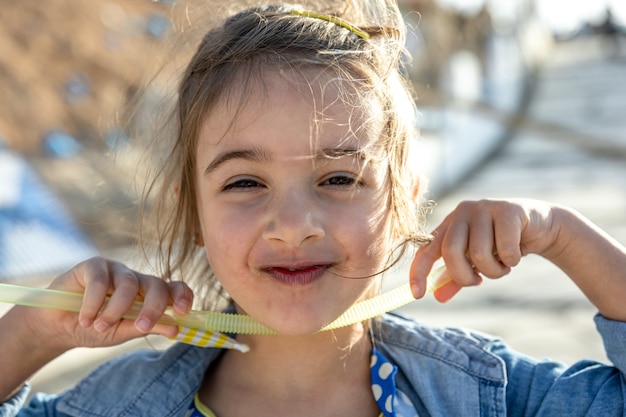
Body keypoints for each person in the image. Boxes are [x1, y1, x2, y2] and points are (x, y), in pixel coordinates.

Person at [1, 1, 626, 415]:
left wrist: (561, 233)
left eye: (338, 177)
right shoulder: (117, 404)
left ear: (404, 200)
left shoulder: (486, 394)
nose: (296, 226)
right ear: (192, 212)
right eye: (245, 183)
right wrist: (34, 330)